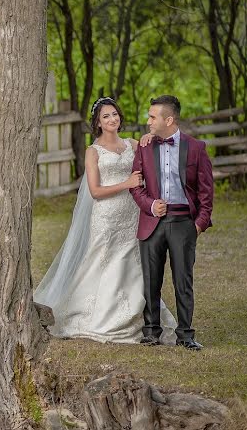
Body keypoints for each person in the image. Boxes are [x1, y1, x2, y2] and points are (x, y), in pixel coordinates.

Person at [35, 97, 177, 344]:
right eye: (105, 117)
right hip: (107, 216)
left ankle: (140, 319)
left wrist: (148, 138)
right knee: (100, 263)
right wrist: (128, 183)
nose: (112, 119)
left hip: (132, 215)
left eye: (114, 114)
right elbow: (96, 191)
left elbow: (160, 146)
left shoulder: (131, 144)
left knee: (133, 265)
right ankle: (97, 317)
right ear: (98, 123)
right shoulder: (93, 152)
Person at [130, 95, 213, 351]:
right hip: (152, 221)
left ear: (169, 119)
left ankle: (186, 334)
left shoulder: (196, 148)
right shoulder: (144, 147)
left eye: (152, 117)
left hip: (182, 223)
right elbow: (136, 186)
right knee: (151, 279)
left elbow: (206, 192)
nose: (148, 121)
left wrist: (198, 224)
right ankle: (152, 331)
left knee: (182, 280)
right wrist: (150, 206)